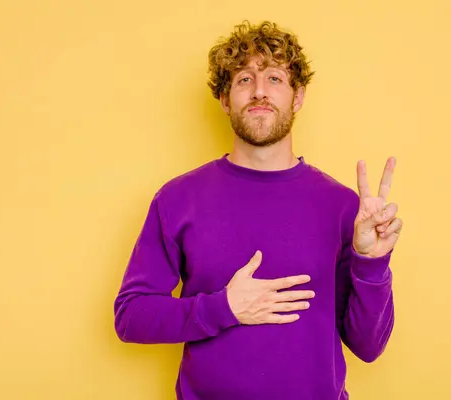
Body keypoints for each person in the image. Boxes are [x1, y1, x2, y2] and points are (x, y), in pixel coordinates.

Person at [113, 19, 403, 400]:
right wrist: (224, 308)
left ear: (298, 97)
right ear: (224, 98)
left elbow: (368, 347)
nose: (260, 91)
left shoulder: (344, 206)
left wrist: (372, 262)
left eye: (275, 79)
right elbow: (131, 317)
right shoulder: (177, 199)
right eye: (244, 79)